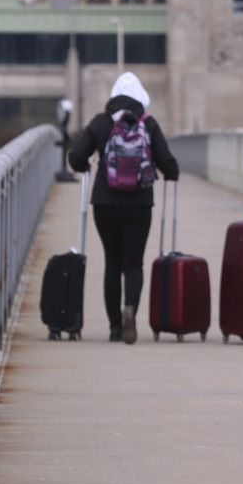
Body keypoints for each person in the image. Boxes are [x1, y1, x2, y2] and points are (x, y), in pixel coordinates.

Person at [68, 71, 179, 343]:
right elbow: (168, 163)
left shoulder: (101, 122)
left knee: (112, 263)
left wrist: (85, 166)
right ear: (141, 98)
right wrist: (170, 172)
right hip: (140, 203)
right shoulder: (148, 124)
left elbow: (76, 157)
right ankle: (130, 308)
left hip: (105, 203)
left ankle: (115, 327)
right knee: (133, 263)